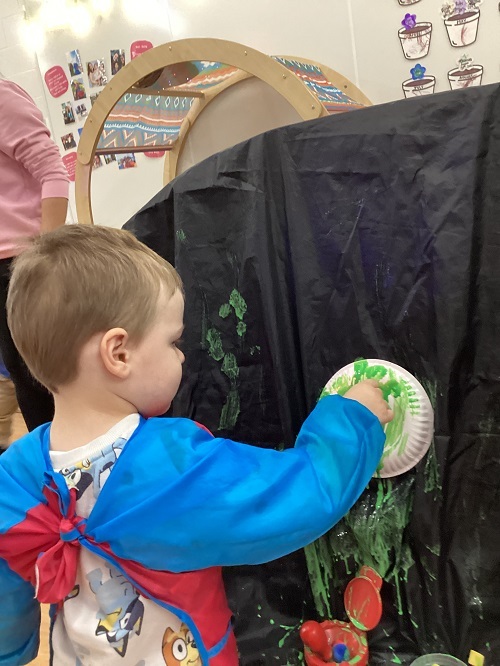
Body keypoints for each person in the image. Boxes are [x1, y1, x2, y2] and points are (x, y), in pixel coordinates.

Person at [0, 225, 393, 665]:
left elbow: (4, 600)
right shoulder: (168, 462)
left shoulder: (14, 475)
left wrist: (13, 651)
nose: (183, 356)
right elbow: (291, 498)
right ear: (119, 354)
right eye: (173, 341)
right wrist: (352, 420)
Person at [0, 77, 69, 431]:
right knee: (20, 376)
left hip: (19, 263)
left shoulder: (2, 96)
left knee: (39, 378)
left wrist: (46, 256)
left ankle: (67, 471)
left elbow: (53, 173)